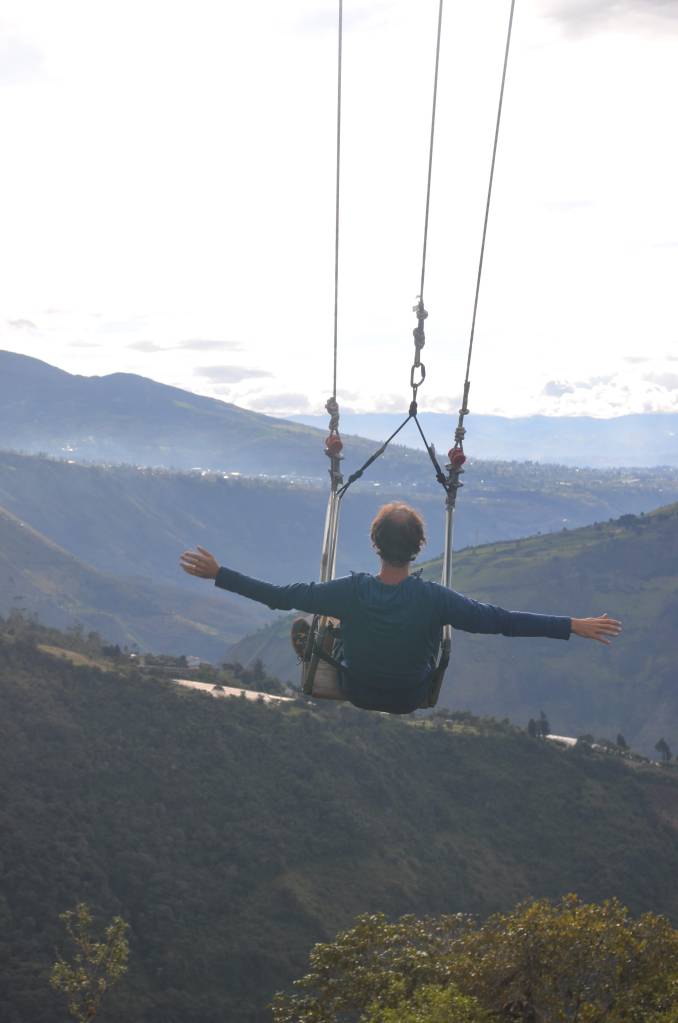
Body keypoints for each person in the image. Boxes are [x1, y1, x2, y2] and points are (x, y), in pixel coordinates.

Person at [180, 501, 622, 715]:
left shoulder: (351, 590)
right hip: (411, 696)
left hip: (357, 689)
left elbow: (278, 595)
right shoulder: (434, 599)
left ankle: (317, 647)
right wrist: (571, 625)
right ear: (418, 547)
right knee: (419, 629)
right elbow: (501, 621)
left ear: (375, 544)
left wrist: (219, 573)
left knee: (320, 615)